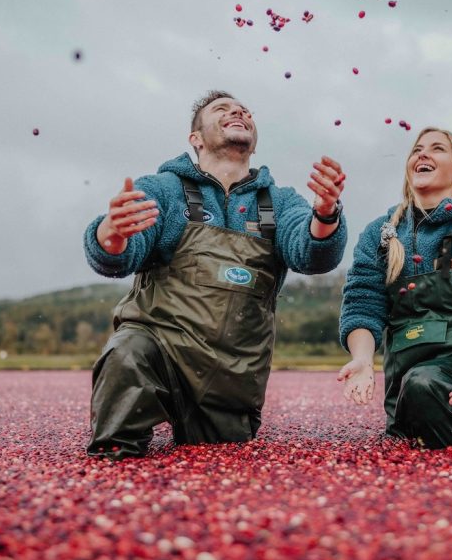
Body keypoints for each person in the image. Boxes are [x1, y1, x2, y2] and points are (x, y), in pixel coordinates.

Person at [83, 90, 347, 458]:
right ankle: (116, 466)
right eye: (222, 109)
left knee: (221, 459)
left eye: (244, 111)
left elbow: (312, 254)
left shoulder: (279, 201)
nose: (238, 111)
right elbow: (118, 254)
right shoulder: (164, 189)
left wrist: (326, 213)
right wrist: (112, 232)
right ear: (195, 138)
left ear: (254, 143)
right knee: (127, 352)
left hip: (232, 373)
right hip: (159, 349)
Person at [337, 127, 452, 448]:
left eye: (437, 149)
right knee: (409, 432)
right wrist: (362, 360)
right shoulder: (379, 234)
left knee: (425, 388)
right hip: (408, 382)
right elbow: (361, 306)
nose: (423, 154)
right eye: (417, 150)